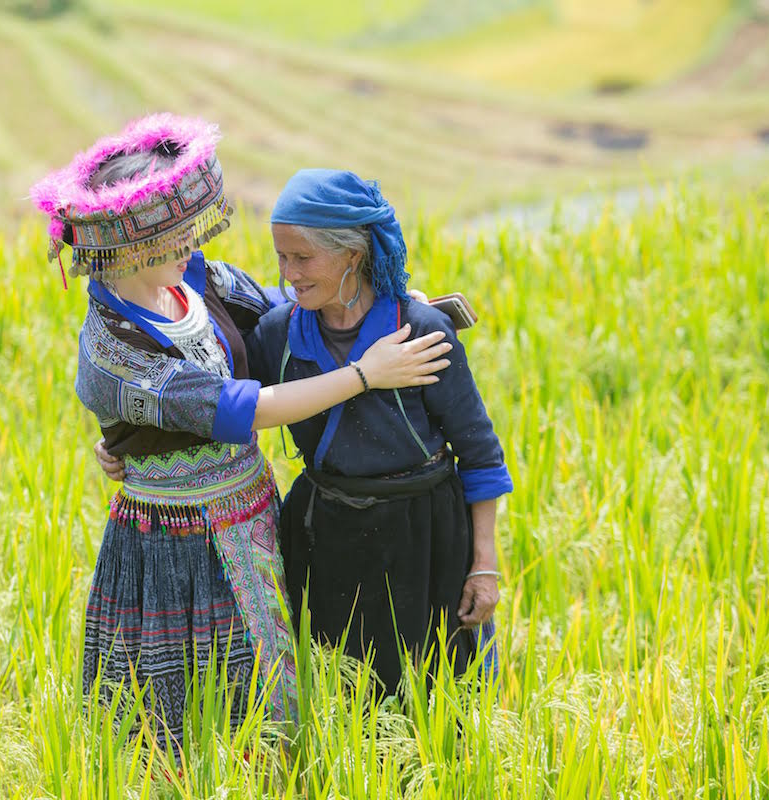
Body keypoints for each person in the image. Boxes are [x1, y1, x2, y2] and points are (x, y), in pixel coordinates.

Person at [30, 115, 453, 746]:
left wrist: (379, 306)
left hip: (252, 517)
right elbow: (244, 408)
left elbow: (288, 313)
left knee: (278, 681)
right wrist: (366, 374)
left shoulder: (198, 279)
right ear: (131, 247)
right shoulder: (113, 354)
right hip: (174, 544)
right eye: (175, 235)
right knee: (189, 713)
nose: (190, 242)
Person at [249, 169, 514, 694]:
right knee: (340, 695)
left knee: (434, 697)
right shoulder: (277, 334)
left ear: (352, 253)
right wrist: (131, 444)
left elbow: (480, 455)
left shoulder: (420, 333)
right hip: (325, 537)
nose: (288, 272)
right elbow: (223, 407)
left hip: (425, 537)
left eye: (302, 257)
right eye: (281, 256)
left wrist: (484, 565)